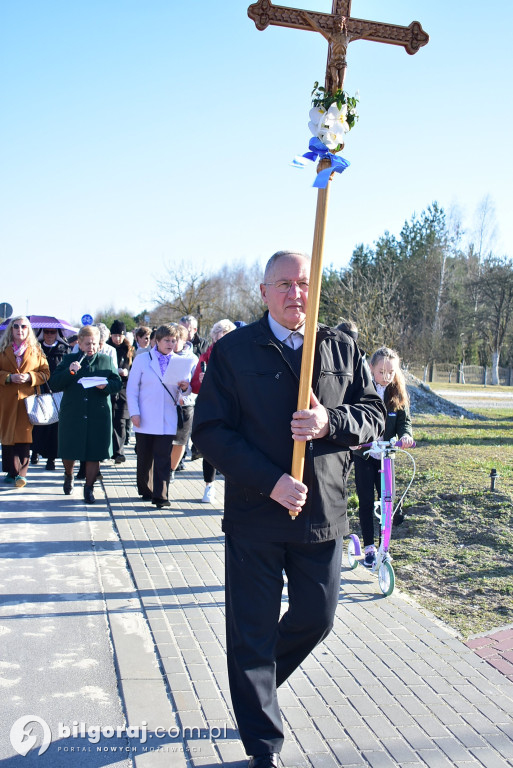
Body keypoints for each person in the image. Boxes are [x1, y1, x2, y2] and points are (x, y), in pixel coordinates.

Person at [192, 251, 386, 767]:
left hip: (322, 513)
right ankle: (262, 744)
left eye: (304, 283)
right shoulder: (233, 350)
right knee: (251, 629)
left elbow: (373, 417)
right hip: (257, 514)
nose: (295, 293)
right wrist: (271, 481)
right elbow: (210, 431)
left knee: (315, 618)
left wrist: (331, 423)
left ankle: (253, 685)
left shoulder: (342, 347)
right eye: (283, 284)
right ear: (263, 292)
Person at [352, 346, 414, 567]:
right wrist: (356, 438)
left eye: (391, 372)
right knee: (367, 502)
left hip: (386, 457)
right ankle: (368, 547)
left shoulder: (397, 394)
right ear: (371, 369)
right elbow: (353, 417)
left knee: (387, 504)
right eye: (381, 371)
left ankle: (384, 547)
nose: (386, 377)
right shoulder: (361, 390)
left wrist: (405, 436)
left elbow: (404, 423)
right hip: (365, 455)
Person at [49, 325, 122, 503]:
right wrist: (70, 371)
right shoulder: (69, 359)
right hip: (73, 413)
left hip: (98, 414)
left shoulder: (105, 360)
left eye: (95, 344)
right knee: (69, 449)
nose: (91, 347)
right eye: (88, 343)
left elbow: (117, 383)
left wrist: (106, 386)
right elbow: (54, 384)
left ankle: (89, 488)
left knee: (94, 452)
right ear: (80, 344)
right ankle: (69, 474)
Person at [126, 324, 192, 509]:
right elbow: (132, 389)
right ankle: (145, 489)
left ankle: (161, 496)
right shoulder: (142, 360)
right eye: (167, 340)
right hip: (145, 416)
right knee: (145, 457)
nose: (170, 344)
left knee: (163, 457)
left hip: (167, 417)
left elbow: (183, 392)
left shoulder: (179, 361)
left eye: (173, 340)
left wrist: (185, 389)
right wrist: (134, 413)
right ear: (157, 341)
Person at [0, 317, 50, 488]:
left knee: (24, 436)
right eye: (16, 327)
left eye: (23, 327)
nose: (20, 330)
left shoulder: (36, 350)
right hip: (6, 400)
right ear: (11, 330)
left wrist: (30, 377)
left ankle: (21, 474)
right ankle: (11, 471)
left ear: (28, 330)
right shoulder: (2, 349)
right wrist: (8, 377)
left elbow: (45, 373)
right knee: (8, 436)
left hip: (27, 400)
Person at [190, 319, 236, 503]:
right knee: (209, 448)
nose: (219, 344)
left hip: (233, 408)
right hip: (210, 408)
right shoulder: (206, 356)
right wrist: (202, 380)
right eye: (216, 340)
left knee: (234, 449)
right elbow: (194, 386)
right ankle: (209, 485)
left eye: (223, 339)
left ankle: (233, 490)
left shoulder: (240, 356)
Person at [31, 328, 70, 470]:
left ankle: (51, 459)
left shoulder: (64, 349)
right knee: (37, 422)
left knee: (54, 426)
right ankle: (35, 451)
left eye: (52, 332)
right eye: (46, 332)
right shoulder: (35, 347)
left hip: (57, 392)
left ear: (57, 334)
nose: (49, 335)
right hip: (39, 390)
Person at [169, 325, 198, 480]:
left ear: (185, 339)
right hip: (166, 403)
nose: (174, 343)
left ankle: (171, 470)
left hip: (184, 405)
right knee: (165, 440)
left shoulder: (192, 358)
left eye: (177, 339)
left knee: (180, 441)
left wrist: (186, 391)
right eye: (171, 340)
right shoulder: (165, 355)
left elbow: (195, 384)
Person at [107, 320, 133, 463]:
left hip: (124, 389)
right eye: (115, 335)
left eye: (121, 335)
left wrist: (126, 373)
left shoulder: (129, 350)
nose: (118, 338)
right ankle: (110, 450)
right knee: (109, 420)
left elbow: (134, 369)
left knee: (121, 421)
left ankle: (119, 452)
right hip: (109, 388)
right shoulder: (106, 347)